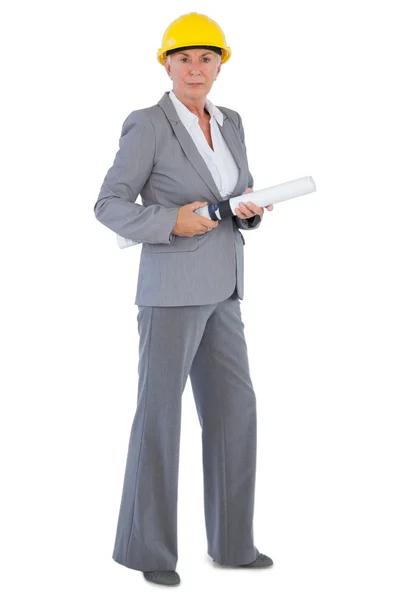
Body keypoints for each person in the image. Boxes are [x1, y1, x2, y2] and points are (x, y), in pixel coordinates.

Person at [94, 11, 274, 587]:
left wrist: (246, 210)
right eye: (184, 58)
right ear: (166, 64)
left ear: (221, 65)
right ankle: (148, 548)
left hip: (224, 287)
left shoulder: (232, 122)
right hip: (171, 292)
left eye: (206, 58)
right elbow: (110, 204)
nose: (196, 68)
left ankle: (233, 543)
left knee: (234, 412)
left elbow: (232, 191)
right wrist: (171, 219)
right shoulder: (147, 124)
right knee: (160, 414)